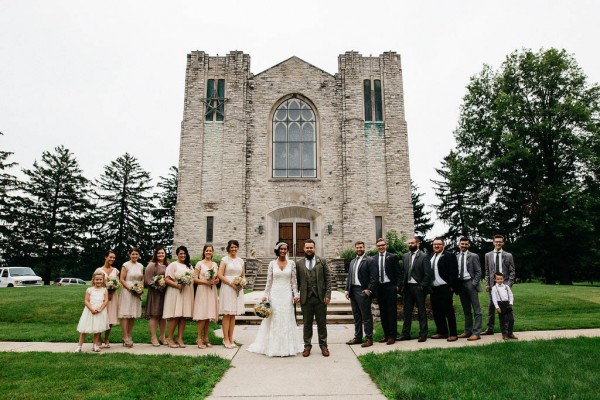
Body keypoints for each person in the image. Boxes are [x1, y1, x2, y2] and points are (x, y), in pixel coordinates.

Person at [247, 242, 303, 357]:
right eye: (281, 249)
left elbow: (294, 281)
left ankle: (288, 346)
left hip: (287, 294)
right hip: (275, 294)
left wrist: (296, 295)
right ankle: (272, 346)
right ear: (277, 250)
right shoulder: (272, 263)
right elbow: (269, 281)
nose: (283, 251)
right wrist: (265, 295)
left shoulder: (291, 263)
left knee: (286, 317)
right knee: (274, 318)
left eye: (285, 249)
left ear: (287, 250)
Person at [296, 239, 332, 357]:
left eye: (311, 248)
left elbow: (328, 279)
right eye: (307, 248)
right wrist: (296, 295)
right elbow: (296, 281)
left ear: (314, 248)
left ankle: (324, 346)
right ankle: (307, 346)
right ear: (304, 249)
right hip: (306, 298)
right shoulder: (299, 263)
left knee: (322, 324)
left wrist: (327, 294)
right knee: (307, 324)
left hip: (320, 298)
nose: (309, 250)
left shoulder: (322, 261)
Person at [344, 240, 378, 347]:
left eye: (360, 247)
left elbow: (374, 277)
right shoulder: (352, 261)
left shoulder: (369, 260)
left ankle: (369, 339)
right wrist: (347, 289)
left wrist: (369, 289)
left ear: (364, 248)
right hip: (353, 291)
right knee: (356, 316)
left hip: (363, 291)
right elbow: (350, 276)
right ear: (355, 248)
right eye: (357, 247)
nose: (359, 249)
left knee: (366, 316)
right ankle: (358, 337)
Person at [400, 236, 432, 342]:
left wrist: (422, 286)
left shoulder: (424, 256)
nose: (410, 245)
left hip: (418, 287)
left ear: (418, 244)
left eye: (412, 243)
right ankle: (405, 334)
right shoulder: (405, 256)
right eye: (409, 243)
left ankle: (423, 334)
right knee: (407, 312)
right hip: (407, 288)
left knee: (421, 311)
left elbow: (428, 274)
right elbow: (404, 272)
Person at [482, 235, 516, 335]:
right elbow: (487, 271)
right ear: (493, 242)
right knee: (491, 307)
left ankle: (507, 331)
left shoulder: (508, 255)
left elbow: (512, 272)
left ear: (503, 243)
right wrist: (487, 284)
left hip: (504, 285)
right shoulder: (488, 255)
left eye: (500, 242)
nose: (498, 243)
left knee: (505, 309)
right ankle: (490, 328)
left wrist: (508, 285)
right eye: (496, 242)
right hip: (493, 286)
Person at [163, 245, 195, 348]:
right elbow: (167, 279)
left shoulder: (189, 266)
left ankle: (180, 338)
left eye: (184, 253)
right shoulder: (173, 265)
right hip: (175, 292)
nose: (183, 255)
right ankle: (170, 338)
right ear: (177, 254)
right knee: (176, 315)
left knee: (183, 316)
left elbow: (193, 278)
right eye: (181, 253)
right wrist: (178, 285)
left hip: (186, 292)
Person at [429, 237, 459, 342]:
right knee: (437, 311)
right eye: (434, 244)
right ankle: (442, 332)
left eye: (439, 244)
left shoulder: (449, 255)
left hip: (445, 287)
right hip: (434, 288)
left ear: (443, 245)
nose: (436, 246)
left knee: (448, 311)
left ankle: (453, 334)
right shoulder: (431, 256)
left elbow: (454, 272)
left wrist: (451, 287)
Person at [218, 239, 246, 349]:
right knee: (227, 314)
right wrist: (231, 284)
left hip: (237, 289)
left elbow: (243, 275)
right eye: (232, 247)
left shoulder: (241, 261)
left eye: (236, 247)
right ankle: (225, 339)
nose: (234, 249)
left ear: (238, 248)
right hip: (228, 287)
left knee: (233, 314)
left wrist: (242, 283)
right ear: (229, 248)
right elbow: (220, 275)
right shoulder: (224, 260)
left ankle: (231, 337)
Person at [375, 237, 401, 345]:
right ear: (377, 247)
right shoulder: (374, 258)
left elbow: (399, 273)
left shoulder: (392, 257)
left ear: (386, 246)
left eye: (383, 245)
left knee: (391, 312)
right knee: (383, 312)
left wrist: (398, 286)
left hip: (390, 286)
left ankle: (392, 336)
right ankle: (386, 335)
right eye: (379, 245)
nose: (381, 247)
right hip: (379, 288)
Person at [193, 244, 220, 349]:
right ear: (204, 252)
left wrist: (215, 281)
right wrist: (205, 282)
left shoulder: (215, 264)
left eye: (210, 251)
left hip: (211, 291)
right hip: (202, 290)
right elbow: (194, 278)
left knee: (208, 315)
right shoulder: (199, 264)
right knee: (202, 315)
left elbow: (217, 279)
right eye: (207, 251)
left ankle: (206, 338)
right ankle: (199, 338)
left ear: (212, 252)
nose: (208, 252)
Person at [456, 237, 483, 341]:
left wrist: (473, 284)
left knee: (477, 310)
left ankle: (476, 332)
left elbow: (478, 272)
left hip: (470, 283)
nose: (464, 246)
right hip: (461, 284)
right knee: (466, 309)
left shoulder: (473, 256)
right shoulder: (457, 256)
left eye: (466, 244)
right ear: (459, 244)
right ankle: (467, 331)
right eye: (462, 244)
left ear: (469, 245)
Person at [75, 272, 109, 353]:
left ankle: (95, 346)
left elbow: (106, 301)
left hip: (100, 311)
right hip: (89, 311)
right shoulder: (89, 290)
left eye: (100, 279)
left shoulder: (105, 290)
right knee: (84, 330)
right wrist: (91, 309)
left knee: (97, 330)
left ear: (103, 280)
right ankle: (79, 346)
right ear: (93, 280)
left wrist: (100, 309)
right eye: (97, 279)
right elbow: (86, 301)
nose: (98, 281)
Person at [118, 247, 144, 347]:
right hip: (127, 291)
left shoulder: (141, 266)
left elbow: (142, 279)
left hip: (137, 291)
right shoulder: (125, 265)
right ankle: (125, 336)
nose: (135, 256)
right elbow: (122, 279)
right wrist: (131, 289)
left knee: (132, 315)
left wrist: (139, 289)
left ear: (139, 255)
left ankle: (129, 334)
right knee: (126, 314)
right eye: (133, 254)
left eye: (136, 254)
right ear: (130, 255)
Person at [94, 250, 119, 348]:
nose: (112, 259)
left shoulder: (116, 271)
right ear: (105, 257)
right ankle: (98, 338)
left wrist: (112, 291)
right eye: (110, 257)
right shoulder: (98, 270)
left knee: (110, 318)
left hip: (113, 297)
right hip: (101, 297)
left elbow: (118, 283)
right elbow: (95, 283)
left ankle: (106, 338)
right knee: (101, 317)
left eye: (113, 258)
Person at [144, 246, 168, 347]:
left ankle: (162, 336)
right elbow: (148, 280)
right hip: (155, 293)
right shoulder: (152, 265)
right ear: (155, 254)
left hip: (165, 293)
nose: (161, 255)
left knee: (163, 316)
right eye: (159, 253)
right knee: (154, 315)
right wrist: (157, 284)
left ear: (165, 254)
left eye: (162, 253)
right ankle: (153, 337)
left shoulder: (168, 265)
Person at [491, 272, 517, 340]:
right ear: (495, 279)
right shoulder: (494, 288)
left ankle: (510, 333)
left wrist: (511, 303)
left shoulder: (506, 286)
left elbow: (511, 295)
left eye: (501, 279)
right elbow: (494, 298)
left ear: (503, 279)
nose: (500, 280)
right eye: (498, 279)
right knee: (503, 320)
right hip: (500, 304)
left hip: (508, 304)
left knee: (511, 319)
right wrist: (497, 307)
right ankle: (504, 334)